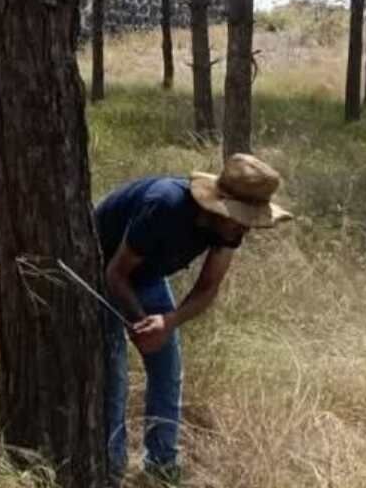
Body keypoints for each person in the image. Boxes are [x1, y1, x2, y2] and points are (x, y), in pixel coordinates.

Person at [95, 153, 292, 486]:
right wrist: (140, 322)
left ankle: (161, 466)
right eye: (241, 219)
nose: (245, 229)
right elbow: (115, 273)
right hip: (101, 269)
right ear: (220, 205)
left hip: (147, 276)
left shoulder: (229, 230)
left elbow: (208, 287)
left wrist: (167, 323)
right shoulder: (165, 206)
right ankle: (110, 469)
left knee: (168, 371)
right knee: (114, 375)